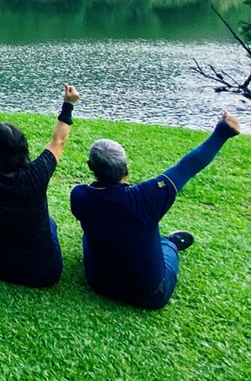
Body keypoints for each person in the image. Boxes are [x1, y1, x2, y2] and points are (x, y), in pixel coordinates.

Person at [70, 111, 241, 310]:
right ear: (127, 169)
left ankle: (160, 242)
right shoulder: (148, 196)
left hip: (99, 283)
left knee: (91, 236)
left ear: (90, 167)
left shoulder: (80, 195)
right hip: (150, 294)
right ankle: (170, 243)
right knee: (166, 246)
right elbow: (188, 166)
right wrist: (222, 133)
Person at [0, 84, 82, 288]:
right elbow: (58, 141)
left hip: (0, 266)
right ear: (23, 147)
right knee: (50, 223)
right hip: (45, 272)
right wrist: (68, 104)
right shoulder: (37, 174)